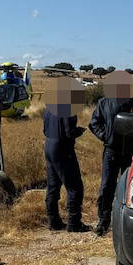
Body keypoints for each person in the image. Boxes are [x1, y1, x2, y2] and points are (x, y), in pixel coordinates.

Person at [88, 71, 133, 236]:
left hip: (132, 153)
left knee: (131, 188)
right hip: (112, 152)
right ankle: (103, 221)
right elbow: (94, 123)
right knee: (106, 187)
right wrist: (106, 137)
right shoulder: (104, 103)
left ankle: (127, 223)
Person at [43, 78, 89, 232]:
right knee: (75, 186)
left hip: (48, 146)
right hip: (62, 148)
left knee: (52, 186)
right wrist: (79, 131)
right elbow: (69, 132)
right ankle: (74, 223)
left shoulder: (49, 108)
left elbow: (44, 130)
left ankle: (53, 221)